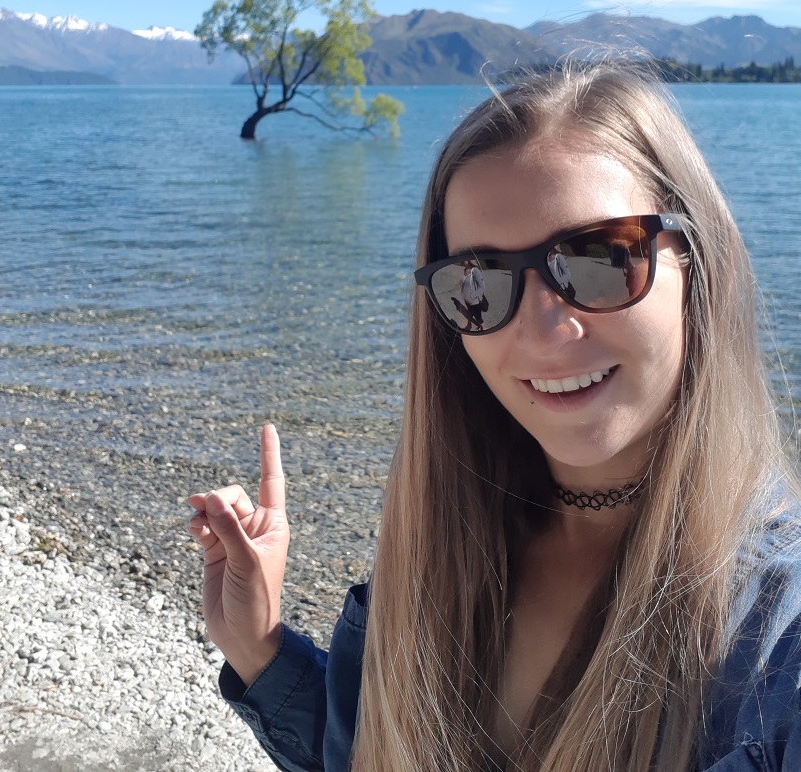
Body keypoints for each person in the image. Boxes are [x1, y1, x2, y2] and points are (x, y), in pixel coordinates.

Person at [188, 62, 801, 772]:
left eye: (599, 258)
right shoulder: (437, 558)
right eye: (479, 283)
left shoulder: (775, 642)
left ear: (699, 262)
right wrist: (257, 646)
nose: (544, 330)